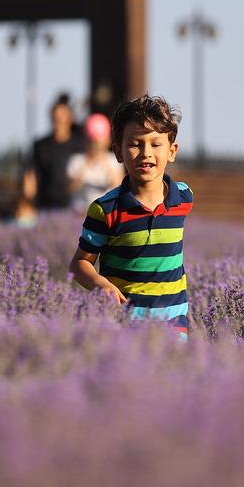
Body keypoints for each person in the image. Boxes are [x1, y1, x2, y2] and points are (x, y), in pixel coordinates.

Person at [69, 95, 194, 340]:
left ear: (172, 151)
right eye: (135, 144)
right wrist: (101, 285)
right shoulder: (105, 210)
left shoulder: (183, 198)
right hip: (124, 326)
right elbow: (79, 263)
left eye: (156, 145)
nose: (146, 153)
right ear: (118, 151)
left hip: (173, 323)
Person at [23, 93, 86, 211]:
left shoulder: (79, 145)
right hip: (45, 205)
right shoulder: (40, 145)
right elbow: (31, 173)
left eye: (62, 118)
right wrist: (29, 198)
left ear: (70, 119)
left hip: (72, 207)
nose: (58, 121)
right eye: (56, 118)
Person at [67, 113, 124, 213]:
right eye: (92, 142)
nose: (95, 146)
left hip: (105, 213)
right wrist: (86, 165)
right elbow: (70, 189)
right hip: (80, 213)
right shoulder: (77, 160)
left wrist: (103, 161)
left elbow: (118, 186)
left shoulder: (113, 160)